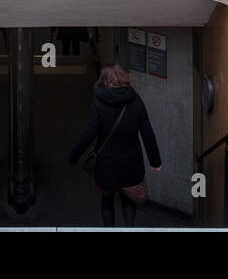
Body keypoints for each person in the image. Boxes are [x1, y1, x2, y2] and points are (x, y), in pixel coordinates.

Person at [67, 64, 161, 228]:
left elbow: (89, 133)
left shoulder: (99, 101)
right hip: (131, 162)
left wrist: (73, 156)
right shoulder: (135, 99)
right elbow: (147, 132)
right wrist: (155, 161)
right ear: (124, 79)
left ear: (104, 81)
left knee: (107, 202)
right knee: (129, 201)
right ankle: (129, 229)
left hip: (106, 163)